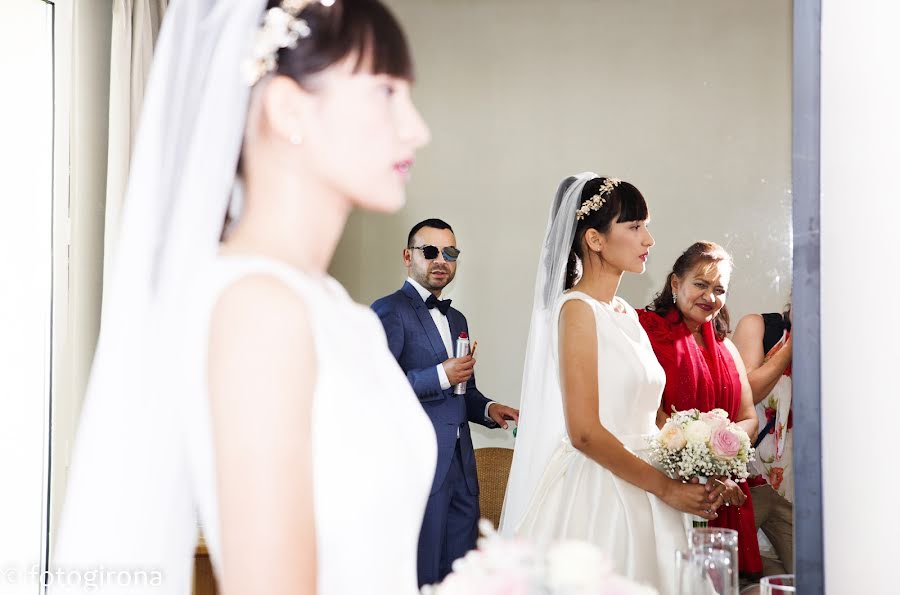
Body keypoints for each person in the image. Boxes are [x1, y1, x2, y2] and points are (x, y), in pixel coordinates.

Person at [50, 1, 434, 594]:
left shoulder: (335, 310)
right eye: (386, 91)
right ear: (288, 109)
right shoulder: (260, 308)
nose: (417, 128)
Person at [500, 174, 720, 595]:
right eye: (634, 227)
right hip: (603, 492)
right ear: (595, 240)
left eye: (646, 226)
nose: (649, 239)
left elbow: (650, 415)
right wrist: (667, 489)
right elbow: (583, 431)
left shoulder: (625, 312)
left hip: (650, 487)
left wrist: (697, 467)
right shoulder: (577, 310)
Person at [371, 218, 520, 587]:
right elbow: (377, 390)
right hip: (418, 467)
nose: (441, 260)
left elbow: (463, 393)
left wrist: (488, 409)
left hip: (462, 469)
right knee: (420, 576)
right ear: (408, 257)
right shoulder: (389, 310)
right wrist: (440, 374)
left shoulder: (457, 319)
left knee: (461, 578)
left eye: (450, 253)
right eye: (430, 251)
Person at [637, 241, 763, 581]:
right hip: (669, 488)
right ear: (676, 283)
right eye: (701, 284)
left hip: (724, 492)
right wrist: (698, 466)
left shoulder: (726, 346)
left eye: (719, 289)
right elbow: (647, 411)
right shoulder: (644, 331)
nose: (710, 297)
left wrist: (720, 459)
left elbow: (748, 416)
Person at [733, 304, 794, 576]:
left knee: (807, 575)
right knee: (733, 569)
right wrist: (792, 346)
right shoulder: (760, 327)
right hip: (751, 481)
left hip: (798, 492)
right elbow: (747, 393)